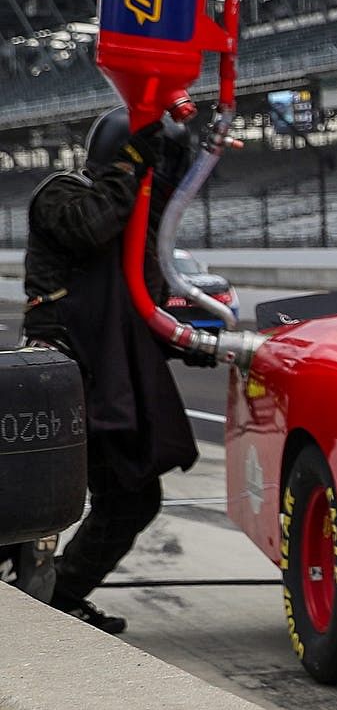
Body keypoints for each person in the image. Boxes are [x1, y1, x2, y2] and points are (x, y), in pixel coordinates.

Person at [19, 108, 205, 633]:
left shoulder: (134, 224)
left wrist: (195, 344)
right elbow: (92, 227)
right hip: (56, 374)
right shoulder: (61, 193)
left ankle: (58, 596)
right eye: (150, 167)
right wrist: (133, 163)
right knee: (33, 505)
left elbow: (136, 307)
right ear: (123, 155)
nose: (155, 182)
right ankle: (27, 601)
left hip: (104, 377)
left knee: (133, 496)